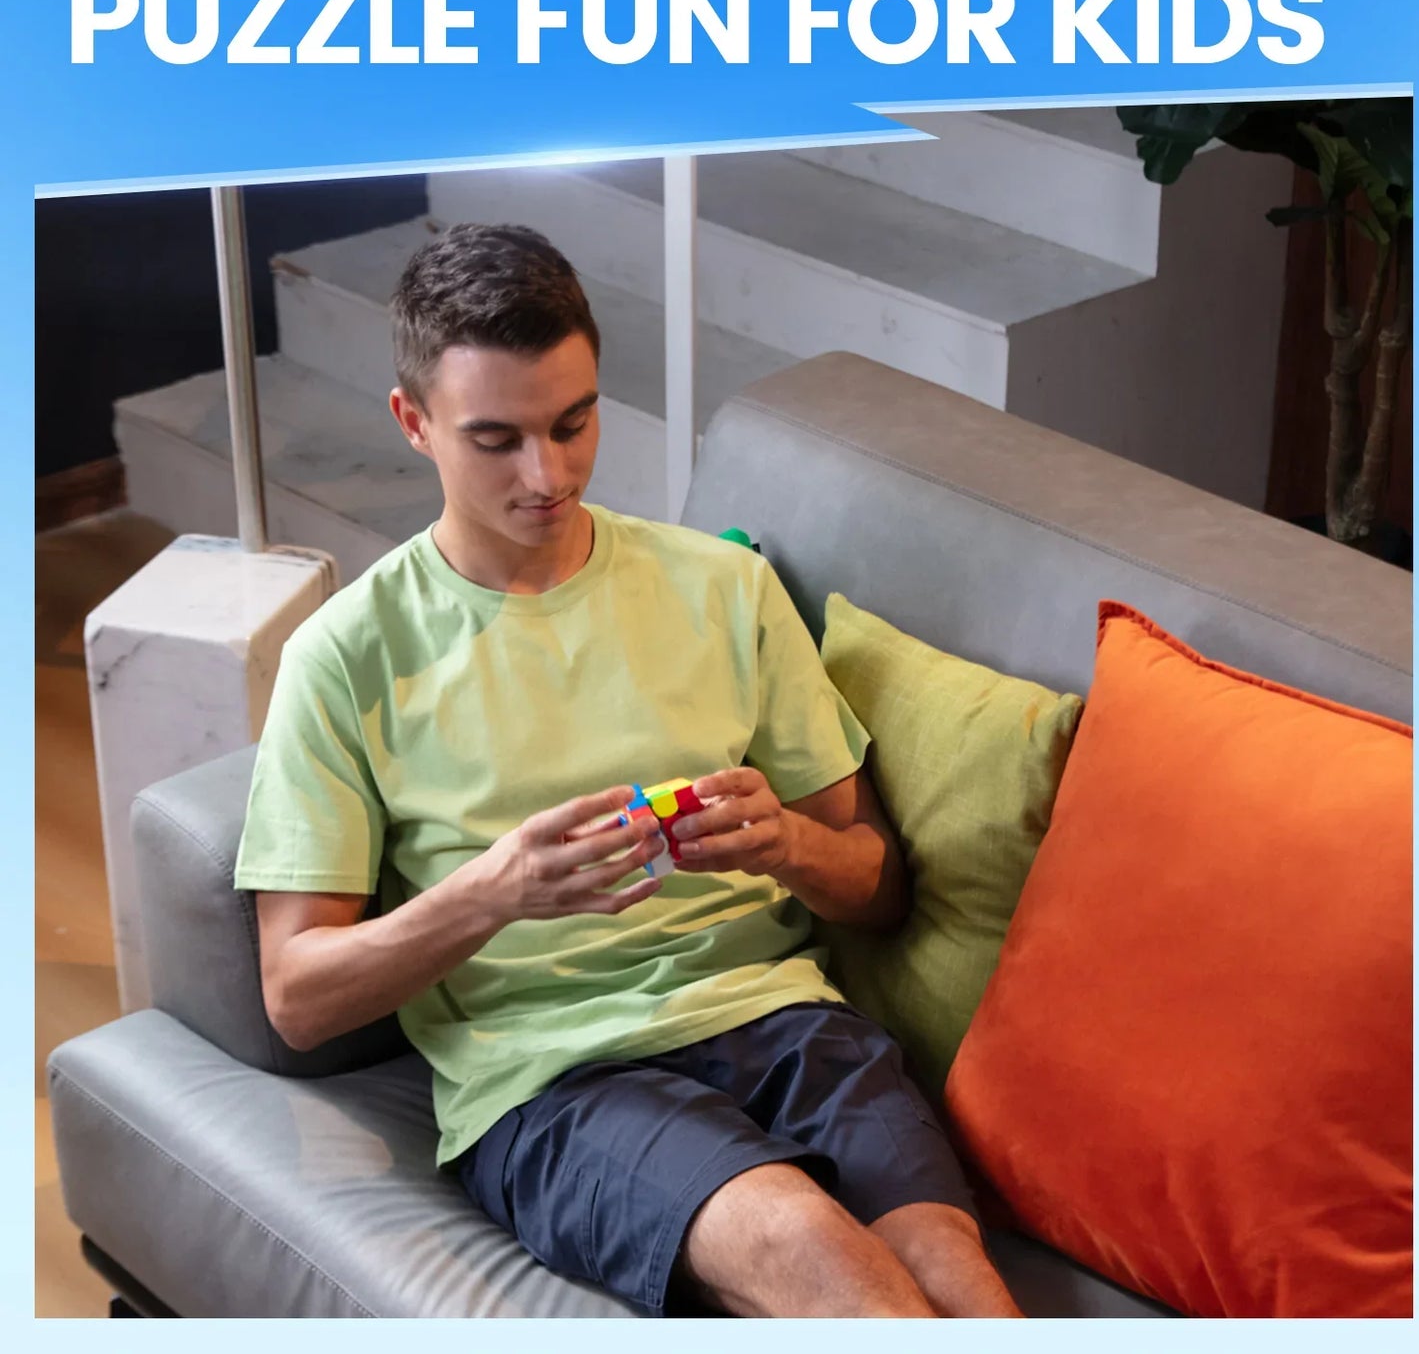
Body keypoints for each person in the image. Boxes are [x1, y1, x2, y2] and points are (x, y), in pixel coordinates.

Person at [235, 222, 1021, 1319]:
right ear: (413, 423)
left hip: (782, 1018)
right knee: (805, 1246)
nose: (546, 474)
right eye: (496, 438)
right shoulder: (346, 654)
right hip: (552, 1077)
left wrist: (788, 844)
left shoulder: (723, 588)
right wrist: (494, 890)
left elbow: (876, 887)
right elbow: (298, 996)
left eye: (573, 422)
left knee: (958, 1282)